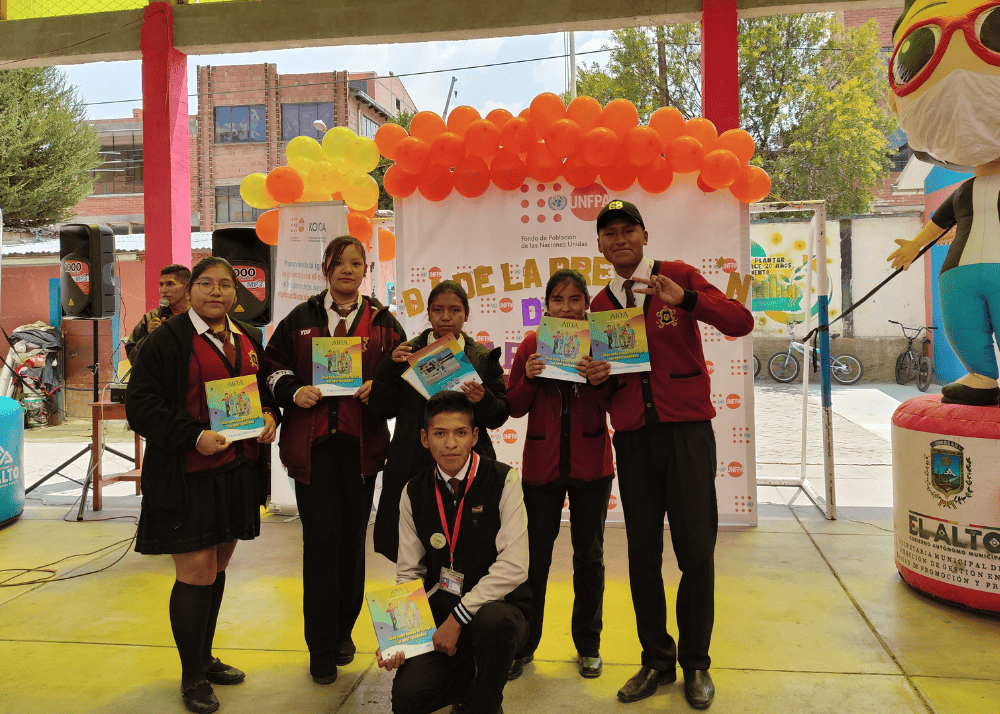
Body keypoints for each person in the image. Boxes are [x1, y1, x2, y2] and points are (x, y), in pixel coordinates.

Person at [584, 200, 754, 709]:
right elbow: (606, 386)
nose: (619, 240)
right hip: (634, 438)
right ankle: (656, 660)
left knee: (697, 552)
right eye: (609, 233)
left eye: (627, 230)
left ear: (643, 234)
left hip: (686, 433)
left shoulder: (676, 276)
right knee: (641, 557)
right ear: (600, 245)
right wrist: (598, 381)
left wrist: (687, 300)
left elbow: (740, 322)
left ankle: (696, 664)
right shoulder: (599, 305)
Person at [125, 256, 279, 714]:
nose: (216, 292)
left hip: (238, 472)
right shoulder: (166, 341)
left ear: (236, 294)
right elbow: (142, 406)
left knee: (217, 568)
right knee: (194, 573)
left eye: (226, 285)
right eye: (207, 284)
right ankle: (191, 677)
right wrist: (193, 435)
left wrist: (271, 416)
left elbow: (264, 393)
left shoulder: (248, 338)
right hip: (187, 474)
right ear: (190, 291)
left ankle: (205, 657)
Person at [264, 235, 406, 685]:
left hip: (360, 448)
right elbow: (271, 368)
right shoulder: (300, 318)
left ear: (366, 271)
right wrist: (292, 390)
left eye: (356, 262)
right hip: (313, 449)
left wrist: (377, 389)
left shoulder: (384, 322)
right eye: (339, 262)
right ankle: (320, 647)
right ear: (325, 268)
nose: (347, 269)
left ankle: (344, 631)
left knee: (350, 544)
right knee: (321, 544)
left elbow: (404, 378)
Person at [377, 391, 531, 714]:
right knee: (407, 700)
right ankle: (466, 679)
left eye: (460, 433)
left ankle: (485, 704)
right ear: (424, 438)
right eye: (440, 433)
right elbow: (409, 574)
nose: (450, 444)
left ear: (474, 436)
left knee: (493, 624)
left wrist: (460, 617)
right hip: (442, 610)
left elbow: (515, 566)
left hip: (500, 609)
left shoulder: (504, 480)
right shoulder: (413, 492)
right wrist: (399, 639)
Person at [505, 269, 614, 680]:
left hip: (592, 466)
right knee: (534, 559)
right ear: (545, 305)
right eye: (557, 300)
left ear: (586, 304)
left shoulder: (601, 342)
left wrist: (596, 378)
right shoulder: (532, 344)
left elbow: (615, 406)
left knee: (590, 558)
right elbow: (513, 407)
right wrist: (530, 377)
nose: (566, 309)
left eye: (574, 300)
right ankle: (524, 645)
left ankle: (589, 645)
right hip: (541, 467)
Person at [369, 280, 510, 563]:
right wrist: (388, 368)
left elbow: (499, 416)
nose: (446, 317)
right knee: (411, 549)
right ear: (429, 314)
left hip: (465, 463)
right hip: (412, 461)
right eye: (438, 310)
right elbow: (380, 408)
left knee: (466, 547)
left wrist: (483, 400)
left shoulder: (482, 358)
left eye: (455, 310)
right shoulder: (407, 354)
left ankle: (459, 607)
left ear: (466, 314)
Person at [124, 264, 191, 360]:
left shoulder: (200, 315)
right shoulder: (151, 318)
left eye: (170, 284)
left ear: (187, 287)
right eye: (161, 285)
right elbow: (133, 357)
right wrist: (149, 337)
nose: (163, 290)